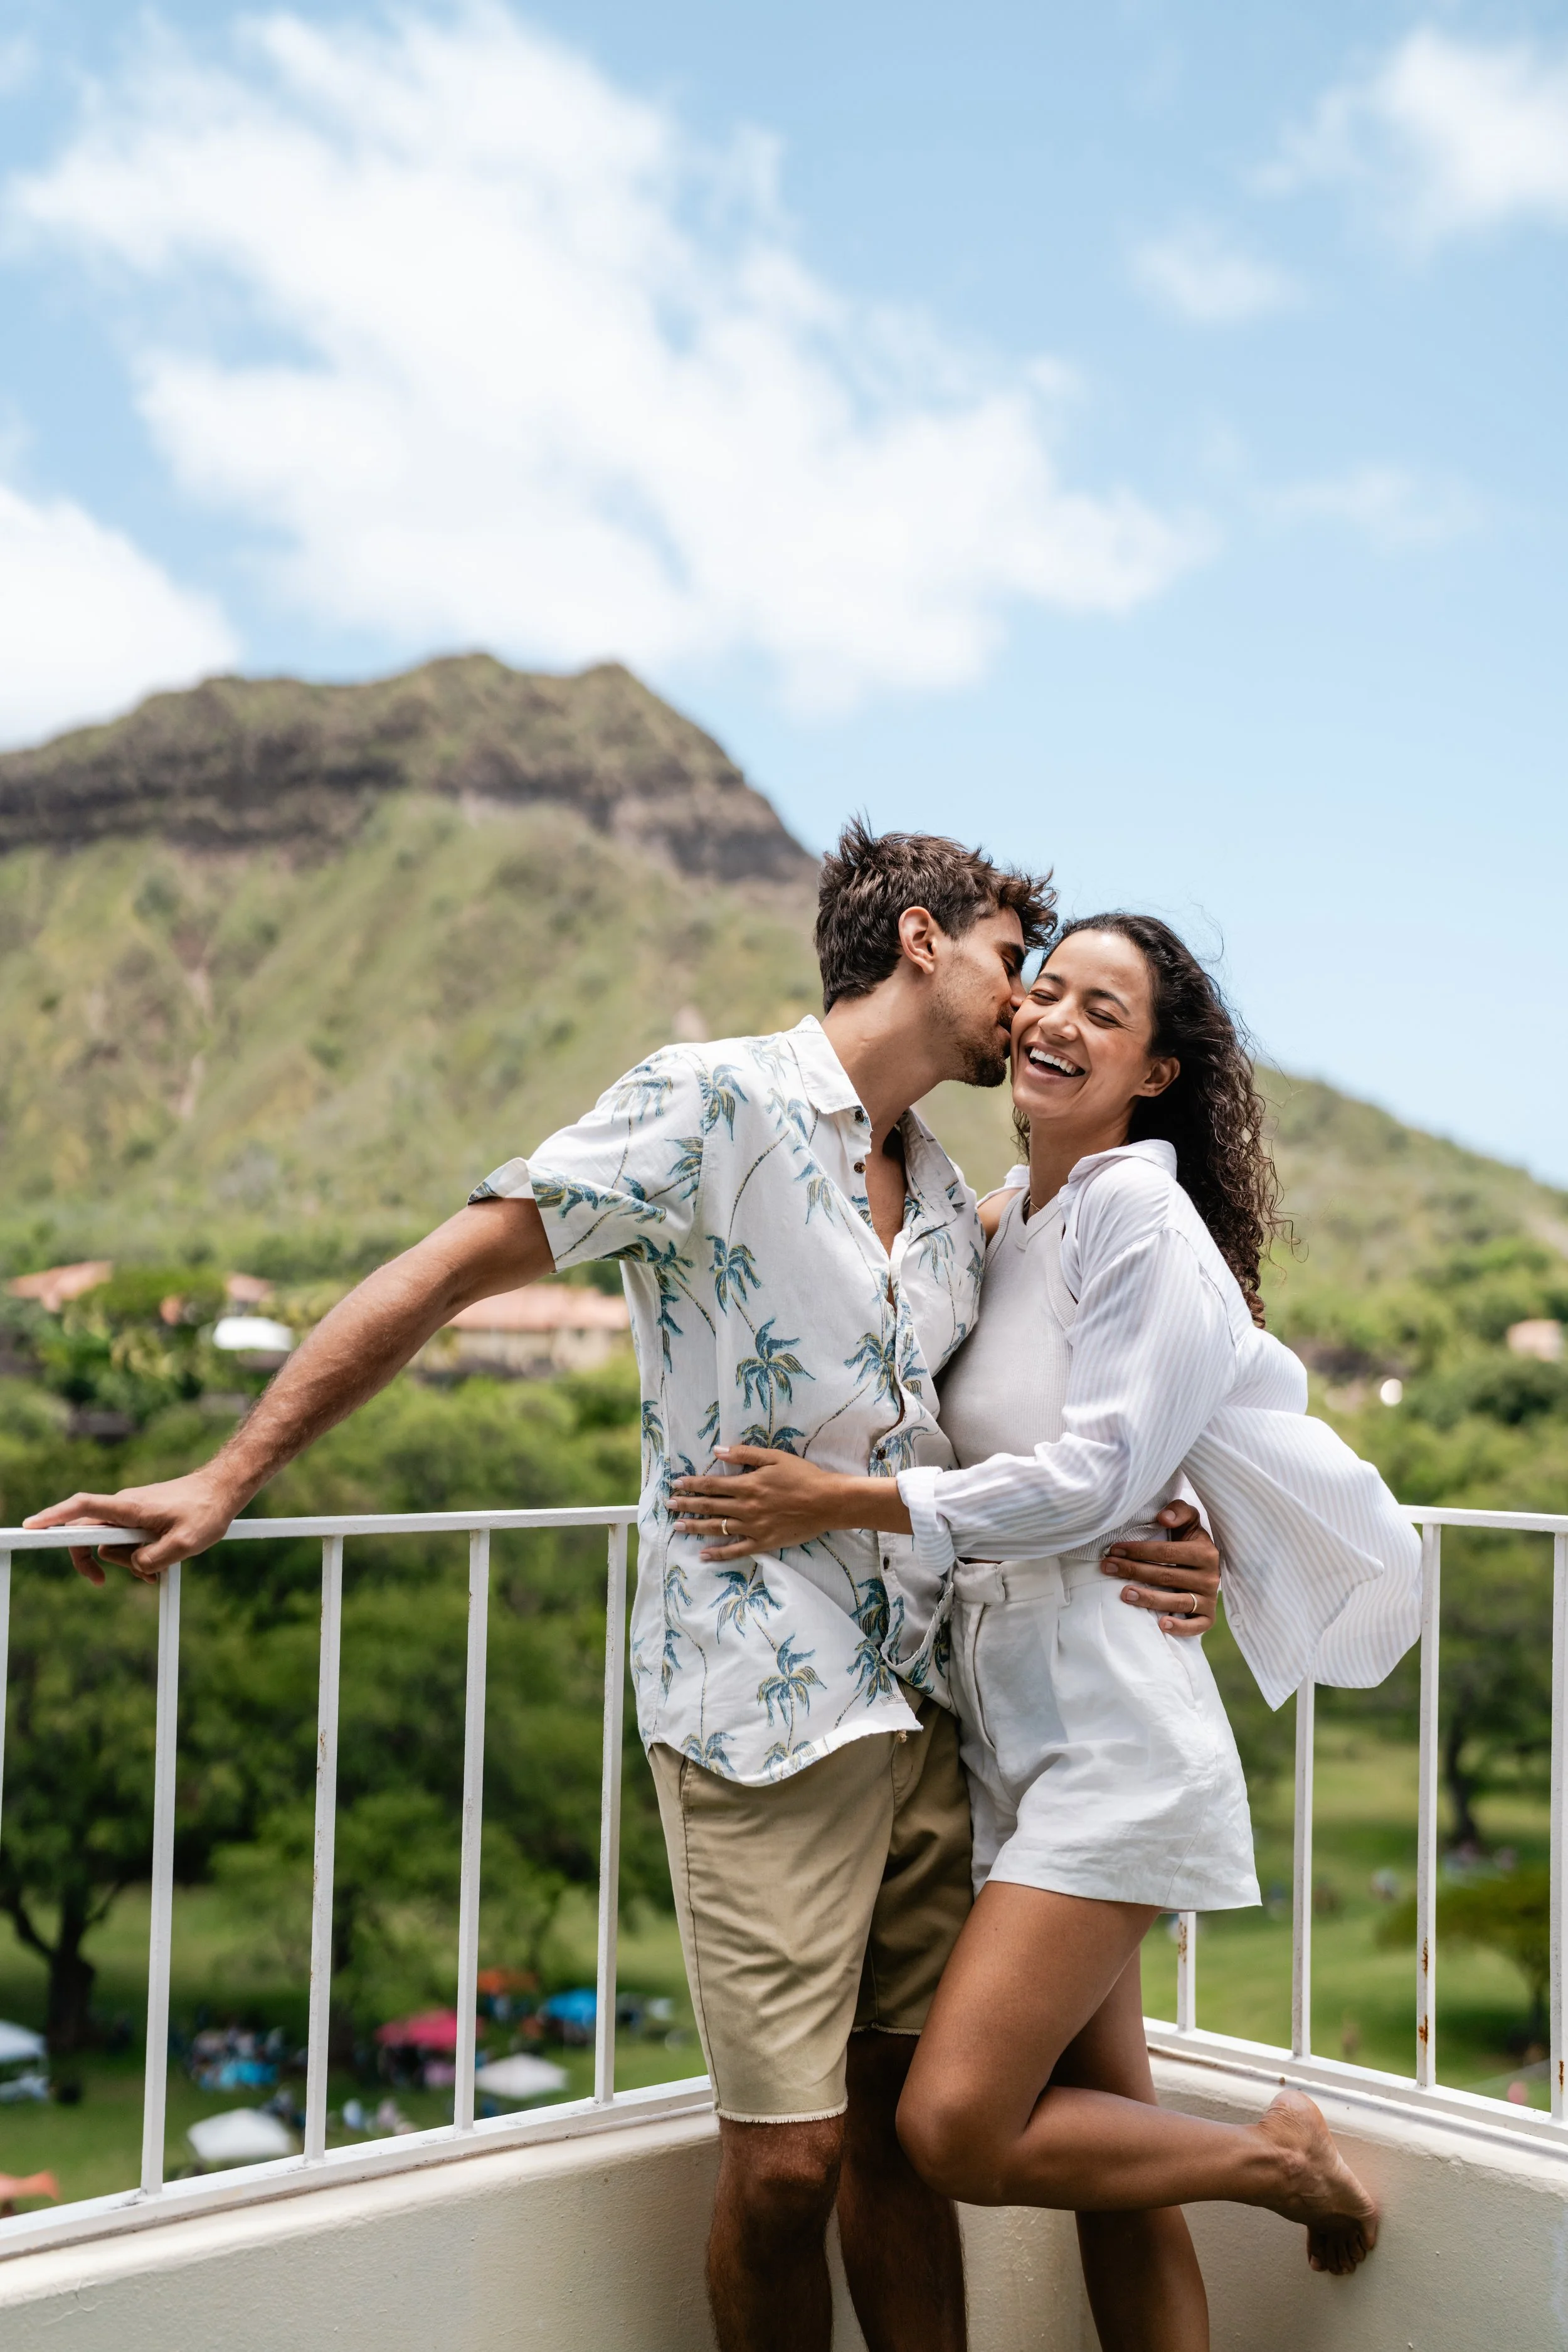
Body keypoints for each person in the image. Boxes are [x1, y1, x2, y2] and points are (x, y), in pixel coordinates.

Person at [28, 830, 1227, 2352]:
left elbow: (1112, 1379)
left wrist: (1195, 1526)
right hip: (752, 1711)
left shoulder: (944, 1192)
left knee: (895, 2144)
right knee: (787, 2162)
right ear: (921, 942)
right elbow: (448, 1272)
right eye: (1013, 962)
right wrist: (225, 1476)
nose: (1028, 1006)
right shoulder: (703, 1100)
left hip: (926, 1709)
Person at [672, 912, 1422, 2350]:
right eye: (1044, 989)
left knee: (952, 2126)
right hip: (1010, 1733)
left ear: (1153, 1072)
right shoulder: (1006, 1222)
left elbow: (1099, 1473)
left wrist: (846, 1499)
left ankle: (1282, 2161)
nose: (1051, 1019)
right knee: (1111, 2164)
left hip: (1112, 1738)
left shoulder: (1142, 1213)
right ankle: (1258, 2170)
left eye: (1103, 1008)